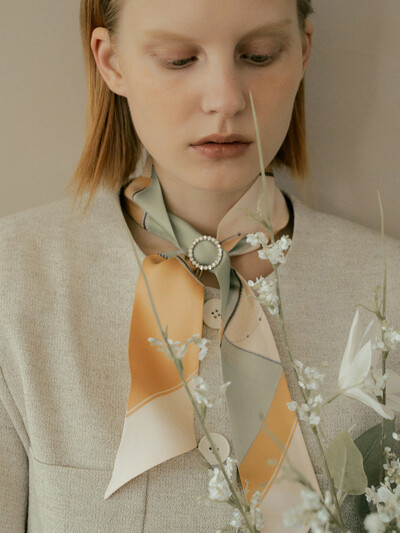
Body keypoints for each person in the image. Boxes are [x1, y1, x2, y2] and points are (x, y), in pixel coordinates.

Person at [0, 0, 399, 532]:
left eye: (259, 55)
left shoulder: (388, 287)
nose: (226, 100)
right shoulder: (14, 280)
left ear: (303, 50)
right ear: (111, 61)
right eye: (179, 59)